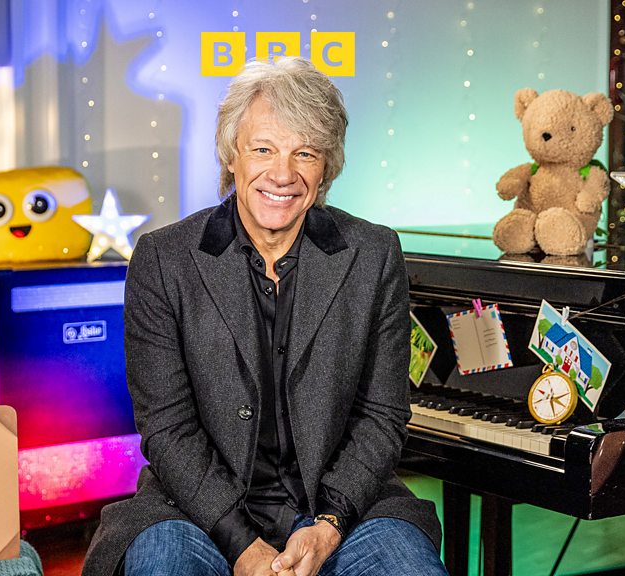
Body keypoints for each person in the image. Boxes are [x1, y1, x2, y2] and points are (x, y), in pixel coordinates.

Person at [82, 57, 446, 576]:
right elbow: (166, 426)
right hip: (196, 512)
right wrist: (243, 546)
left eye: (305, 153)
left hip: (343, 509)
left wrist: (329, 524)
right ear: (231, 154)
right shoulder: (164, 259)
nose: (282, 174)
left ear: (326, 167)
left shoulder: (374, 253)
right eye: (263, 149)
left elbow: (382, 416)